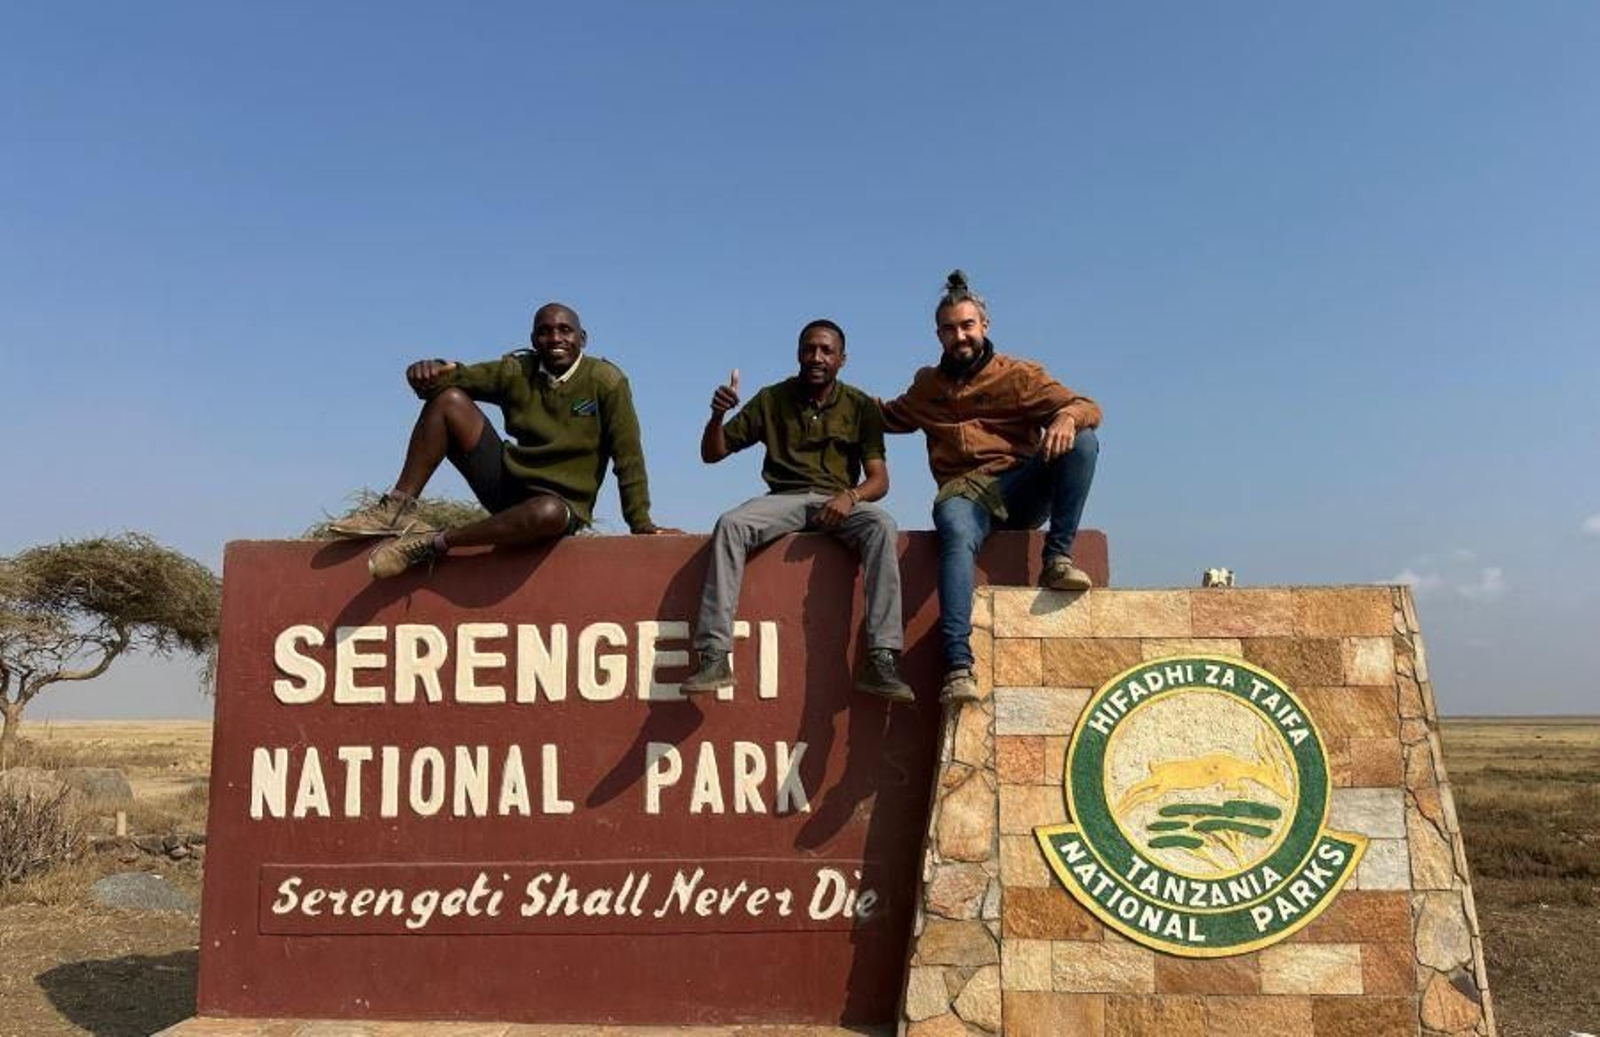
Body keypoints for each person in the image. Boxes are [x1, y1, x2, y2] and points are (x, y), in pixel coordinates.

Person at [881, 271, 1101, 705]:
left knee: (1084, 441)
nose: (960, 336)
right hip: (964, 493)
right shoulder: (927, 386)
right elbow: (888, 415)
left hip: (1019, 485)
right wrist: (829, 393)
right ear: (938, 335)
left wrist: (1067, 417)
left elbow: (1087, 405)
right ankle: (958, 666)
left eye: (967, 325)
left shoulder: (1017, 376)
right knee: (956, 532)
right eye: (950, 329)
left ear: (984, 325)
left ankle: (1057, 557)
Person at [330, 301, 673, 576]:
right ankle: (398, 508)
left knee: (549, 511)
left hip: (557, 506)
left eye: (565, 330)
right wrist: (426, 370)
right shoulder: (516, 370)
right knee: (449, 401)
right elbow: (457, 377)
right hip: (509, 484)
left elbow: (628, 457)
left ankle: (433, 542)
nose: (555, 338)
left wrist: (641, 524)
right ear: (533, 339)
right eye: (545, 332)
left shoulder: (606, 381)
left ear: (583, 338)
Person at [682, 319, 913, 702]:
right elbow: (713, 453)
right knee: (731, 524)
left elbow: (879, 480)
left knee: (882, 525)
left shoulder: (860, 407)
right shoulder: (773, 399)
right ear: (798, 354)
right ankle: (714, 656)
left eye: (826, 351)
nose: (816, 357)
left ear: (842, 359)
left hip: (838, 500)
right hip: (783, 499)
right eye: (809, 349)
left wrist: (850, 498)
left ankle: (882, 658)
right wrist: (717, 416)